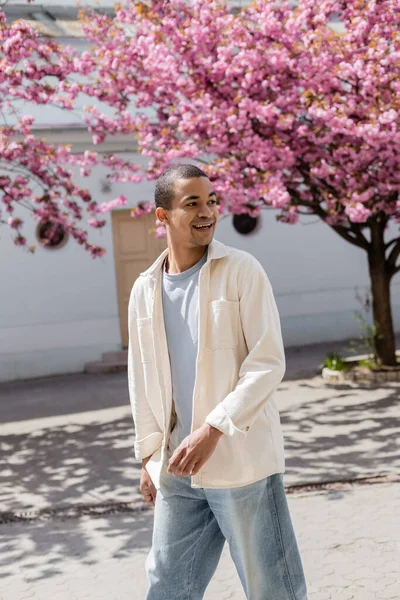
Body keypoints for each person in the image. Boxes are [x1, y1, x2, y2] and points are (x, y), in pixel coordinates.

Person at [127, 164, 308, 600]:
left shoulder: (242, 270)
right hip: (177, 468)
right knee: (167, 586)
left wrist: (213, 429)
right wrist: (150, 454)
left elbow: (267, 362)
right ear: (162, 216)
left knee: (271, 589)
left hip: (239, 460)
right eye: (192, 203)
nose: (207, 211)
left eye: (211, 201)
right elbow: (142, 376)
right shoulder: (144, 289)